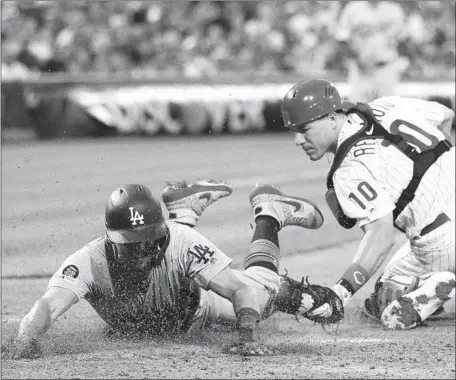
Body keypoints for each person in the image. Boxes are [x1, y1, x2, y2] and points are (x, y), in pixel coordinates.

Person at [2, 179, 336, 359]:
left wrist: (247, 334)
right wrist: (26, 338)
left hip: (198, 309)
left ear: (163, 232)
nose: (145, 252)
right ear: (111, 240)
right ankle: (185, 207)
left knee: (262, 296)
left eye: (152, 241)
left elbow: (238, 290)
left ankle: (269, 213)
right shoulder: (87, 262)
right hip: (166, 315)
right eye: (134, 245)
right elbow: (48, 305)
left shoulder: (179, 241)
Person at [280, 78, 455, 330]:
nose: (297, 140)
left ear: (331, 118)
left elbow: (382, 236)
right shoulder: (385, 105)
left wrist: (342, 290)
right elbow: (445, 115)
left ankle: (431, 285)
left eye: (304, 129)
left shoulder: (349, 170)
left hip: (443, 242)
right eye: (293, 132)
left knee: (383, 301)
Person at [334, 1, 409, 102]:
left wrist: (403, 62)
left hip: (386, 68)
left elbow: (403, 40)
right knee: (358, 110)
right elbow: (342, 39)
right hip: (360, 70)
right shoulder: (353, 8)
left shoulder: (394, 9)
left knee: (389, 108)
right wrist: (356, 61)